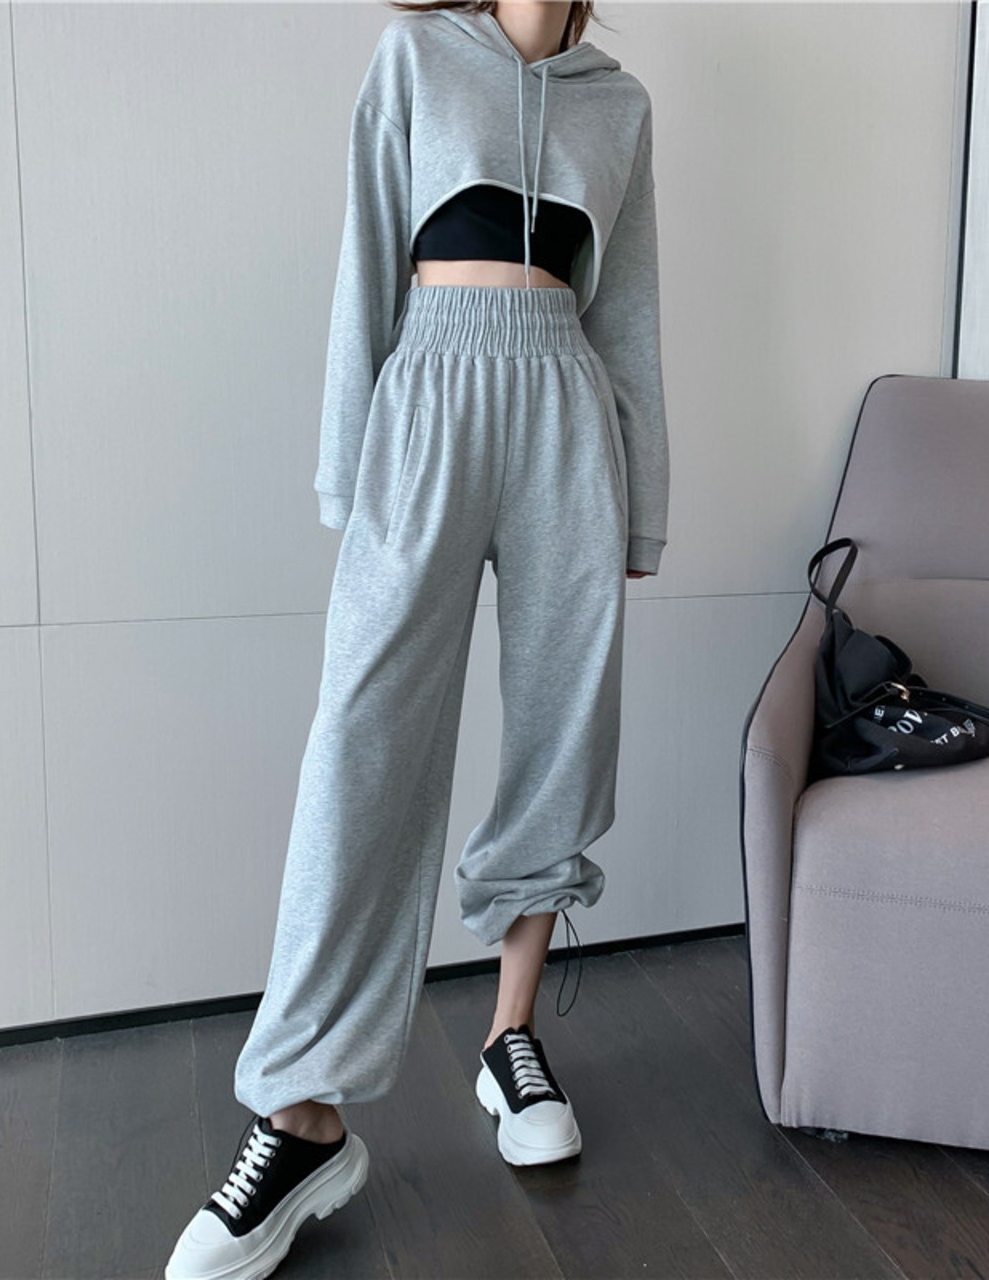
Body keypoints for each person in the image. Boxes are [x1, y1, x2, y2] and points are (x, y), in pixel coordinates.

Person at [165, 1, 669, 1275]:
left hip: (567, 411)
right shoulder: (416, 61)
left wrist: (643, 505)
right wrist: (351, 472)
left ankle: (510, 1036)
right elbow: (365, 263)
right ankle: (301, 1112)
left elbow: (628, 317)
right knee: (360, 742)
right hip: (430, 393)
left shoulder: (618, 103)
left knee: (562, 728)